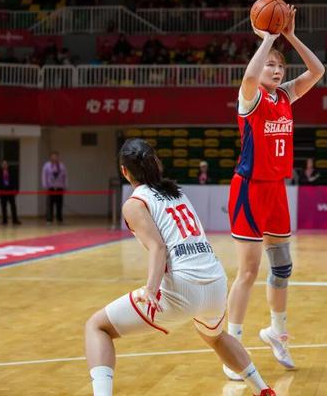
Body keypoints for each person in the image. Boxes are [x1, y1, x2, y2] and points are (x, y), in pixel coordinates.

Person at [84, 138, 275, 396]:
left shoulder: (134, 203)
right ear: (156, 163)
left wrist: (151, 289)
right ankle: (263, 390)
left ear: (124, 171)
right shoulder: (177, 192)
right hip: (215, 282)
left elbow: (158, 247)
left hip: (182, 286)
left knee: (97, 326)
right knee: (216, 336)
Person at [224, 5, 325, 380]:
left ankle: (276, 333)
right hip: (249, 189)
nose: (277, 70)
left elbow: (317, 71)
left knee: (282, 268)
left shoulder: (284, 96)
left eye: (280, 66)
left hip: (277, 190)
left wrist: (291, 36)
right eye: (271, 65)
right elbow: (250, 75)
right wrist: (267, 38)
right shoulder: (250, 97)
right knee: (248, 271)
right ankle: (232, 347)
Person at [42, 151, 67, 223]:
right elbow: (44, 175)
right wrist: (45, 185)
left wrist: (65, 185)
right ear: (50, 157)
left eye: (56, 156)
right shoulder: (46, 165)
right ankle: (49, 219)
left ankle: (59, 219)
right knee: (50, 204)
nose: (55, 158)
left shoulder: (62, 165)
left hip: (59, 187)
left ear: (58, 157)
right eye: (53, 156)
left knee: (59, 204)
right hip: (50, 187)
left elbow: (65, 176)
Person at [0, 160, 21, 225]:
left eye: (6, 164)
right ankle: (4, 221)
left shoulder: (12, 172)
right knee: (3, 207)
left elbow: (15, 181)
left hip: (10, 191)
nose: (4, 165)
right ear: (1, 166)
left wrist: (16, 189)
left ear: (8, 165)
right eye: (3, 164)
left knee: (13, 206)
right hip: (3, 191)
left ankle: (15, 220)